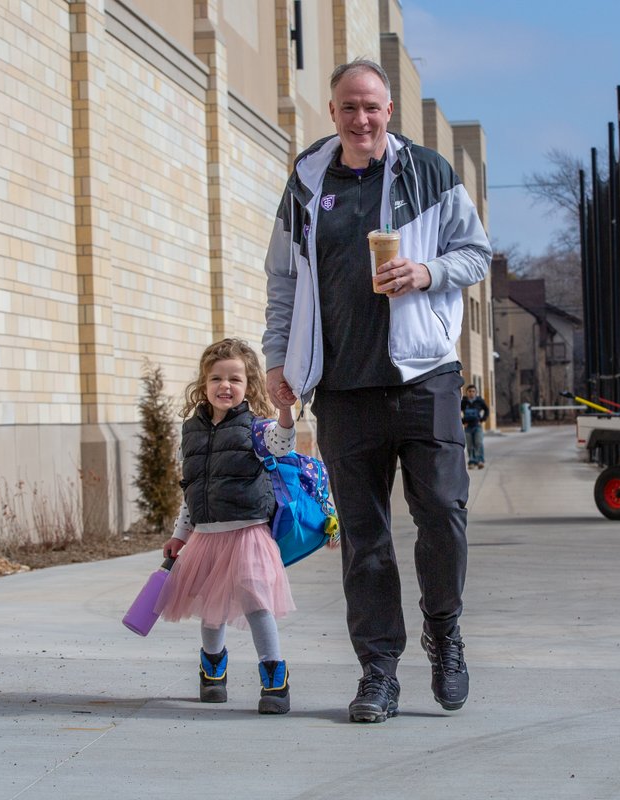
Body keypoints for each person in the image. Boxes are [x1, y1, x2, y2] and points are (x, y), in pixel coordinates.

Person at [262, 58, 492, 723]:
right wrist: (280, 360)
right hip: (342, 390)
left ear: (390, 111)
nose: (360, 119)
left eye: (372, 107)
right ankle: (379, 674)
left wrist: (427, 271)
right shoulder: (306, 182)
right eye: (348, 108)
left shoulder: (429, 174)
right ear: (331, 114)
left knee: (443, 516)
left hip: (424, 378)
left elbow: (476, 253)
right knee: (363, 540)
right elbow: (282, 282)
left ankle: (444, 635)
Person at [154, 338, 299, 715]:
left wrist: (285, 412)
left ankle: (274, 674)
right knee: (210, 606)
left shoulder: (256, 428)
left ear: (248, 385)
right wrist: (179, 535)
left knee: (256, 602)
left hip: (248, 533)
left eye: (235, 379)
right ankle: (213, 667)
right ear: (203, 384)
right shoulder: (191, 431)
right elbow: (192, 488)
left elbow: (281, 445)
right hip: (206, 536)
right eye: (216, 378)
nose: (225, 386)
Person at [460, 385, 490, 469]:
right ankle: (472, 462)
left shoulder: (480, 401)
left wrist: (482, 419)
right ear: (467, 392)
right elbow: (456, 412)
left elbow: (487, 410)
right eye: (469, 391)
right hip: (468, 427)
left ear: (476, 392)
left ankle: (480, 461)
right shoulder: (464, 402)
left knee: (478, 443)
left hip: (477, 426)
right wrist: (463, 421)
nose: (471, 393)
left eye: (473, 391)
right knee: (470, 445)